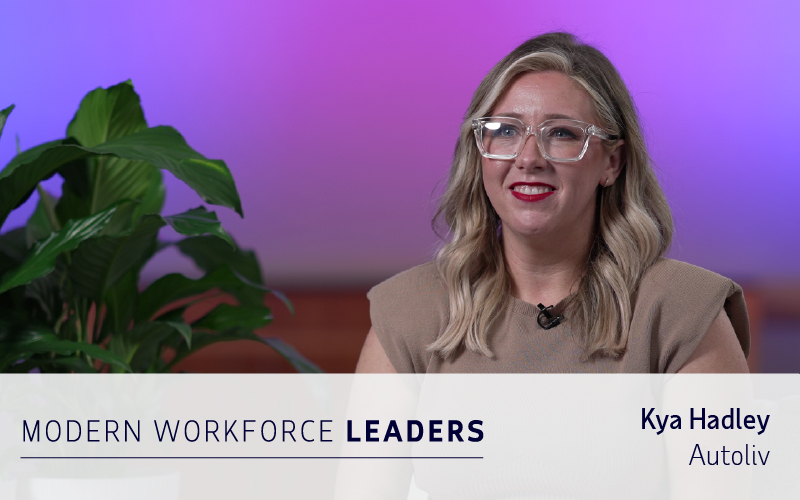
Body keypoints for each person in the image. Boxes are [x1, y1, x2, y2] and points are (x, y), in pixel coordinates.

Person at [356, 32, 749, 375]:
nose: (529, 158)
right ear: (479, 154)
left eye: (561, 133)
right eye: (505, 130)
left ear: (611, 163)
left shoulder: (682, 309)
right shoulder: (407, 312)